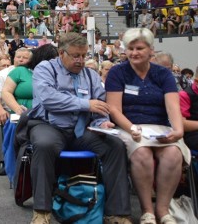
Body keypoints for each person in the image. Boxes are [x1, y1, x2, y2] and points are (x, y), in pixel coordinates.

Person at [26, 32, 131, 224]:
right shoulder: (45, 69)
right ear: (61, 53)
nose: (81, 61)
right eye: (76, 56)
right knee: (43, 144)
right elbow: (49, 99)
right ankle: (42, 211)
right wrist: (85, 105)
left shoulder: (90, 75)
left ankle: (117, 213)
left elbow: (100, 103)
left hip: (82, 131)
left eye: (84, 56)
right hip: (50, 125)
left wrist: (102, 123)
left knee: (115, 146)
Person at [106, 28, 188, 224]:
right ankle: (147, 210)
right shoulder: (117, 72)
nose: (134, 52)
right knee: (142, 153)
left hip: (159, 127)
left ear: (151, 50)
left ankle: (163, 209)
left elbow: (173, 106)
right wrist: (132, 128)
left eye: (139, 48)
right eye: (130, 48)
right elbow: (114, 110)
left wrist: (178, 131)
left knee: (173, 154)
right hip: (129, 127)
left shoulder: (163, 74)